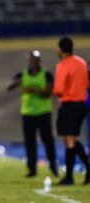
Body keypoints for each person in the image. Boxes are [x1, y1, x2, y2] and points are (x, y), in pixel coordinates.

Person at [7, 50, 58, 177]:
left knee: (48, 141)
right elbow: (9, 86)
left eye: (34, 59)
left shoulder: (46, 74)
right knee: (30, 142)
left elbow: (48, 92)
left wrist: (35, 89)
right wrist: (17, 83)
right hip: (28, 113)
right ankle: (32, 169)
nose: (32, 62)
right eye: (30, 59)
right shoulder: (22, 75)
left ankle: (53, 165)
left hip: (43, 113)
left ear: (39, 61)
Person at [53, 37, 89, 185]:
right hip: (82, 105)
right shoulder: (81, 62)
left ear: (61, 49)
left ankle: (69, 177)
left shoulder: (62, 65)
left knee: (69, 140)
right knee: (73, 139)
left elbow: (59, 89)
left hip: (69, 105)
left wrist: (56, 92)